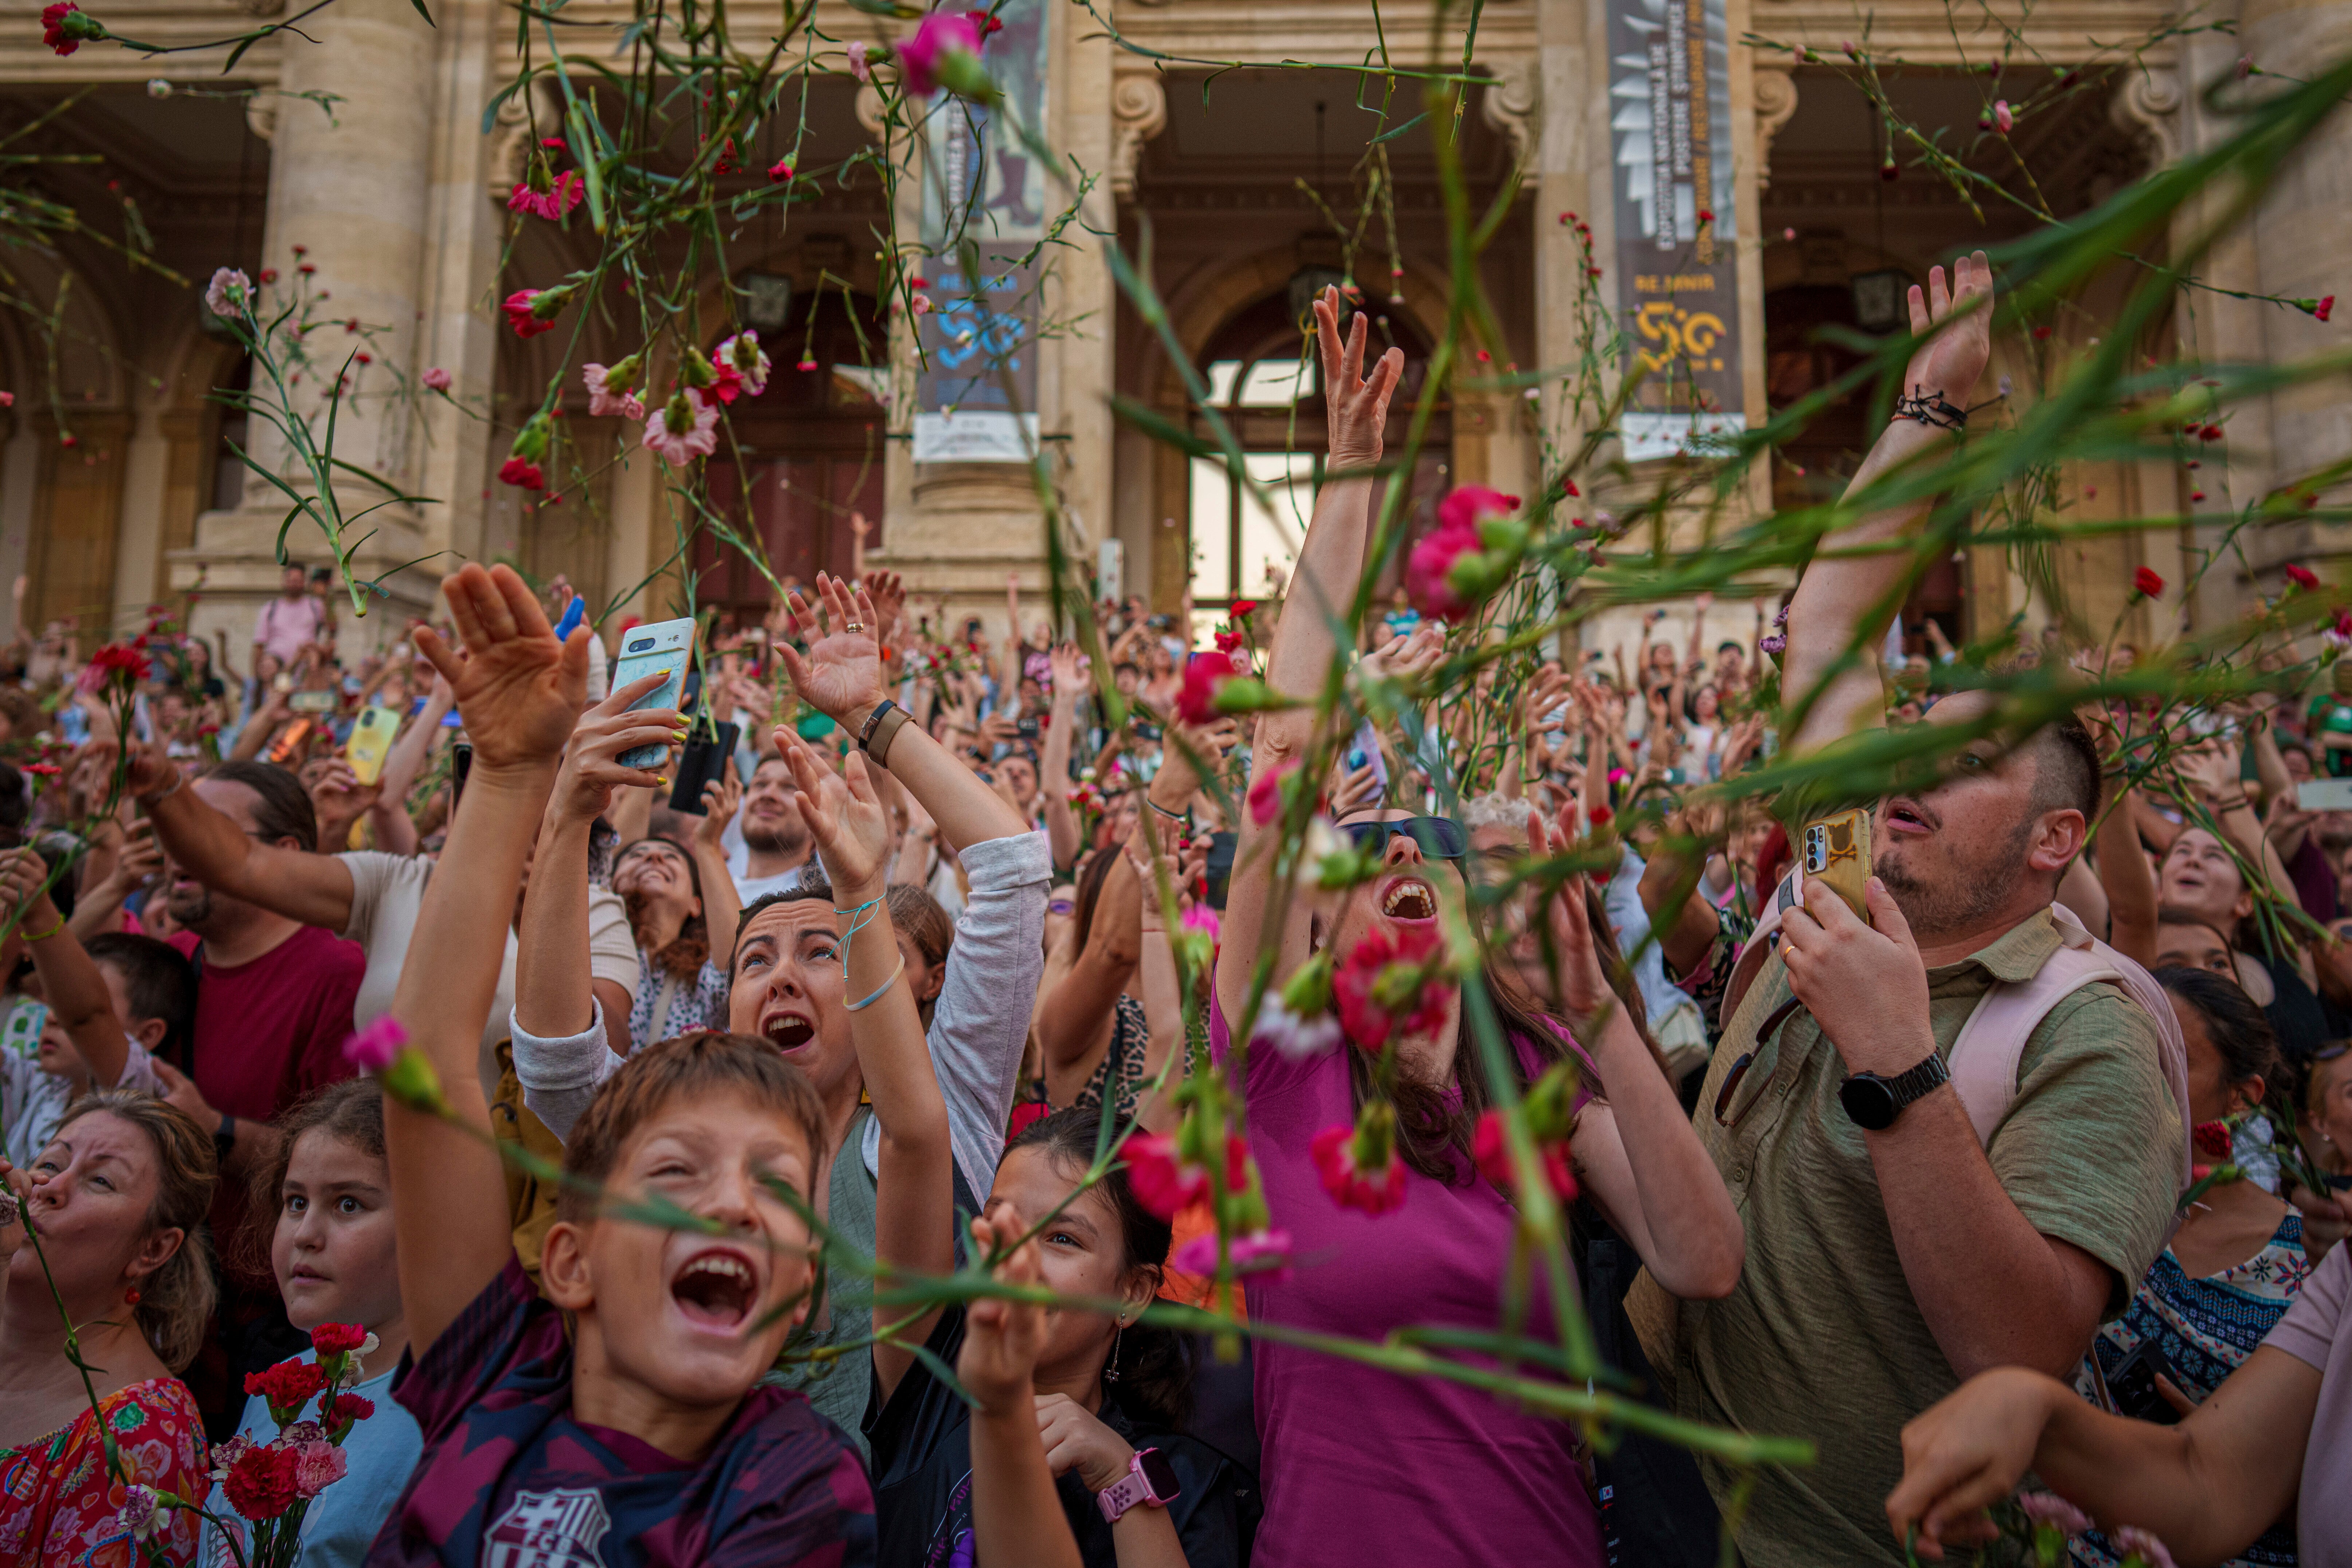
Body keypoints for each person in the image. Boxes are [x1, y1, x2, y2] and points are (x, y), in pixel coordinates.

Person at [1625, 254, 2187, 1568]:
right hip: (1665, 1509)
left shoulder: (2084, 1029)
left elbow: (2020, 1350)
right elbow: (1820, 629)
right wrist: (1926, 409)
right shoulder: (1834, 879)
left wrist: (1892, 1061)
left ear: (2057, 835)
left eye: (1961, 758)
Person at [1211, 288, 1745, 1565]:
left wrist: (1598, 1014)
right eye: (1361, 854)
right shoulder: (1280, 1077)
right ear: (1314, 941)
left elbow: (1701, 1260)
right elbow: (1283, 747)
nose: (1396, 848)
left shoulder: (1539, 1091)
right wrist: (1347, 480)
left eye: (1423, 850)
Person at [368, 562, 873, 1565]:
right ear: (569, 1258)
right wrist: (519, 782)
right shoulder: (494, 1381)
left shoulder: (798, 1482)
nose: (731, 1207)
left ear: (806, 1279)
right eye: (676, 1171)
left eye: (777, 1186)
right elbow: (427, 1068)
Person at [508, 572, 1047, 1444]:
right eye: (754, 958)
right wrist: (567, 818)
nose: (782, 974)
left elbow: (1015, 869)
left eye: (821, 950)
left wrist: (873, 713)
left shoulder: (943, 1110)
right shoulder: (672, 1128)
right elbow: (558, 1061)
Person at [121, 741, 639, 1085]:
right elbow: (243, 864)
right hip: (383, 1185)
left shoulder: (594, 911)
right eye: (480, 786)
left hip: (509, 1198)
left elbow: (604, 1051)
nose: (496, 806)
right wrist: (165, 790)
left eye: (524, 793)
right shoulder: (396, 882)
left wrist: (527, 915)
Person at [867, 1110, 1253, 1567]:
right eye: (1000, 1223)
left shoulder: (1186, 1481)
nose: (1016, 1257)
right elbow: (910, 1123)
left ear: (1133, 1292)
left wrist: (1122, 1479)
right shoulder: (931, 1392)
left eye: (1063, 1238)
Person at [2067, 967, 2304, 1568]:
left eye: (2169, 1055)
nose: (2131, 1070)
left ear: (2242, 1096)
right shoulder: (2073, 1193)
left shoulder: (2311, 1266)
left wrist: (2236, 1466)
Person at [202, 1081, 423, 1568]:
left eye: (348, 1204)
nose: (304, 1235)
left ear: (427, 1223)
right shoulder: (278, 1390)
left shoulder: (441, 1408)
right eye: (295, 1202)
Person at [0, 1091, 217, 1567]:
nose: (49, 1187)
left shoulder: (144, 1435)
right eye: (50, 1161)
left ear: (153, 1250)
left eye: (100, 1180)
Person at [0, 849, 176, 1163]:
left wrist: (37, 909)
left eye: (69, 1003)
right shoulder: (37, 1083)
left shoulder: (135, 1102)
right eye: (56, 1002)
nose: (54, 1016)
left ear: (147, 1034)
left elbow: (86, 1017)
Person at [612, 822, 739, 1052]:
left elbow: (740, 969)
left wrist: (706, 845)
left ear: (696, 905)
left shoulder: (703, 976)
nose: (654, 857)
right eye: (636, 856)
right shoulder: (589, 950)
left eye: (671, 857)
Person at [732, 753, 820, 901]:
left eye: (790, 787)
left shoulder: (826, 894)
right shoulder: (700, 890)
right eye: (760, 784)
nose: (768, 794)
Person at [254, 562, 328, 670]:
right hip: (276, 673)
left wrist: (327, 596)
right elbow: (260, 645)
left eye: (298, 581)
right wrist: (257, 680)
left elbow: (330, 632)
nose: (294, 584)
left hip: (306, 672)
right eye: (291, 580)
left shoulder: (316, 606)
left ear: (305, 582)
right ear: (284, 581)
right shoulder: (271, 608)